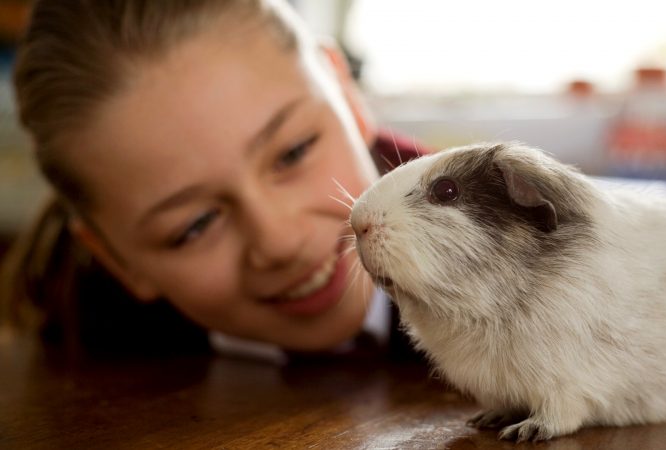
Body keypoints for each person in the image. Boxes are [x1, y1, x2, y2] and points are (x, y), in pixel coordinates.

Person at [0, 0, 424, 359]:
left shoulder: (486, 231)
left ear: (347, 95)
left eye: (293, 153)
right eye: (195, 225)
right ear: (118, 261)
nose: (279, 242)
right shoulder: (83, 359)